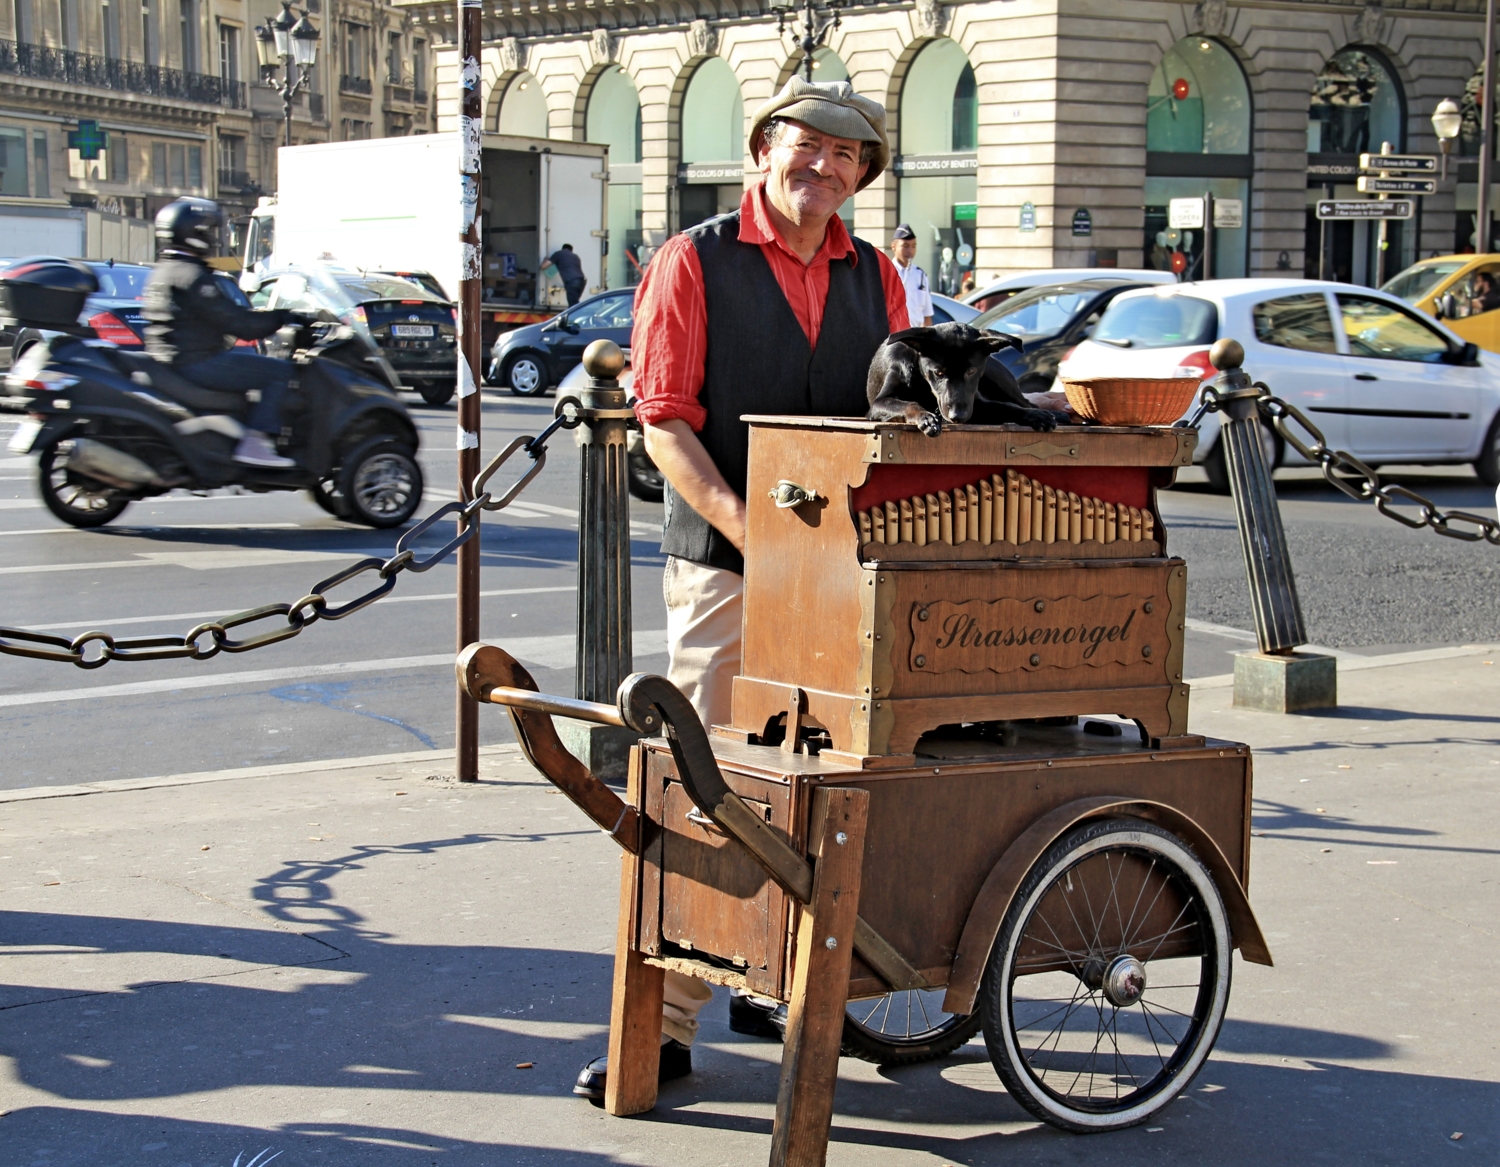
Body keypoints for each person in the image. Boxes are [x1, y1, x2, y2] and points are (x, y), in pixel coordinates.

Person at [572, 76, 910, 1103]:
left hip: (840, 577)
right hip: (726, 570)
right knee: (703, 790)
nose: (825, 169)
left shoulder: (878, 275)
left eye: (847, 157)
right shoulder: (694, 260)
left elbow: (899, 413)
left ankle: (800, 986)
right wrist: (749, 533)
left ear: (863, 175)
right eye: (807, 148)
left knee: (832, 788)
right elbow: (664, 418)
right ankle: (668, 1025)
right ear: (763, 149)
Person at [142, 198, 304, 468]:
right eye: (207, 231)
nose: (212, 238)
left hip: (168, 358)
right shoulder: (191, 275)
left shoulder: (163, 271)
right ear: (194, 234)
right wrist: (283, 317)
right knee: (280, 372)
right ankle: (255, 442)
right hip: (197, 362)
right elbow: (236, 322)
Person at [890, 222, 932, 327]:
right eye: (905, 246)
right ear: (894, 246)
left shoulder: (920, 275)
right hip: (893, 337)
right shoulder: (887, 272)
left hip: (914, 336)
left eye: (913, 246)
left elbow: (927, 315)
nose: (910, 251)